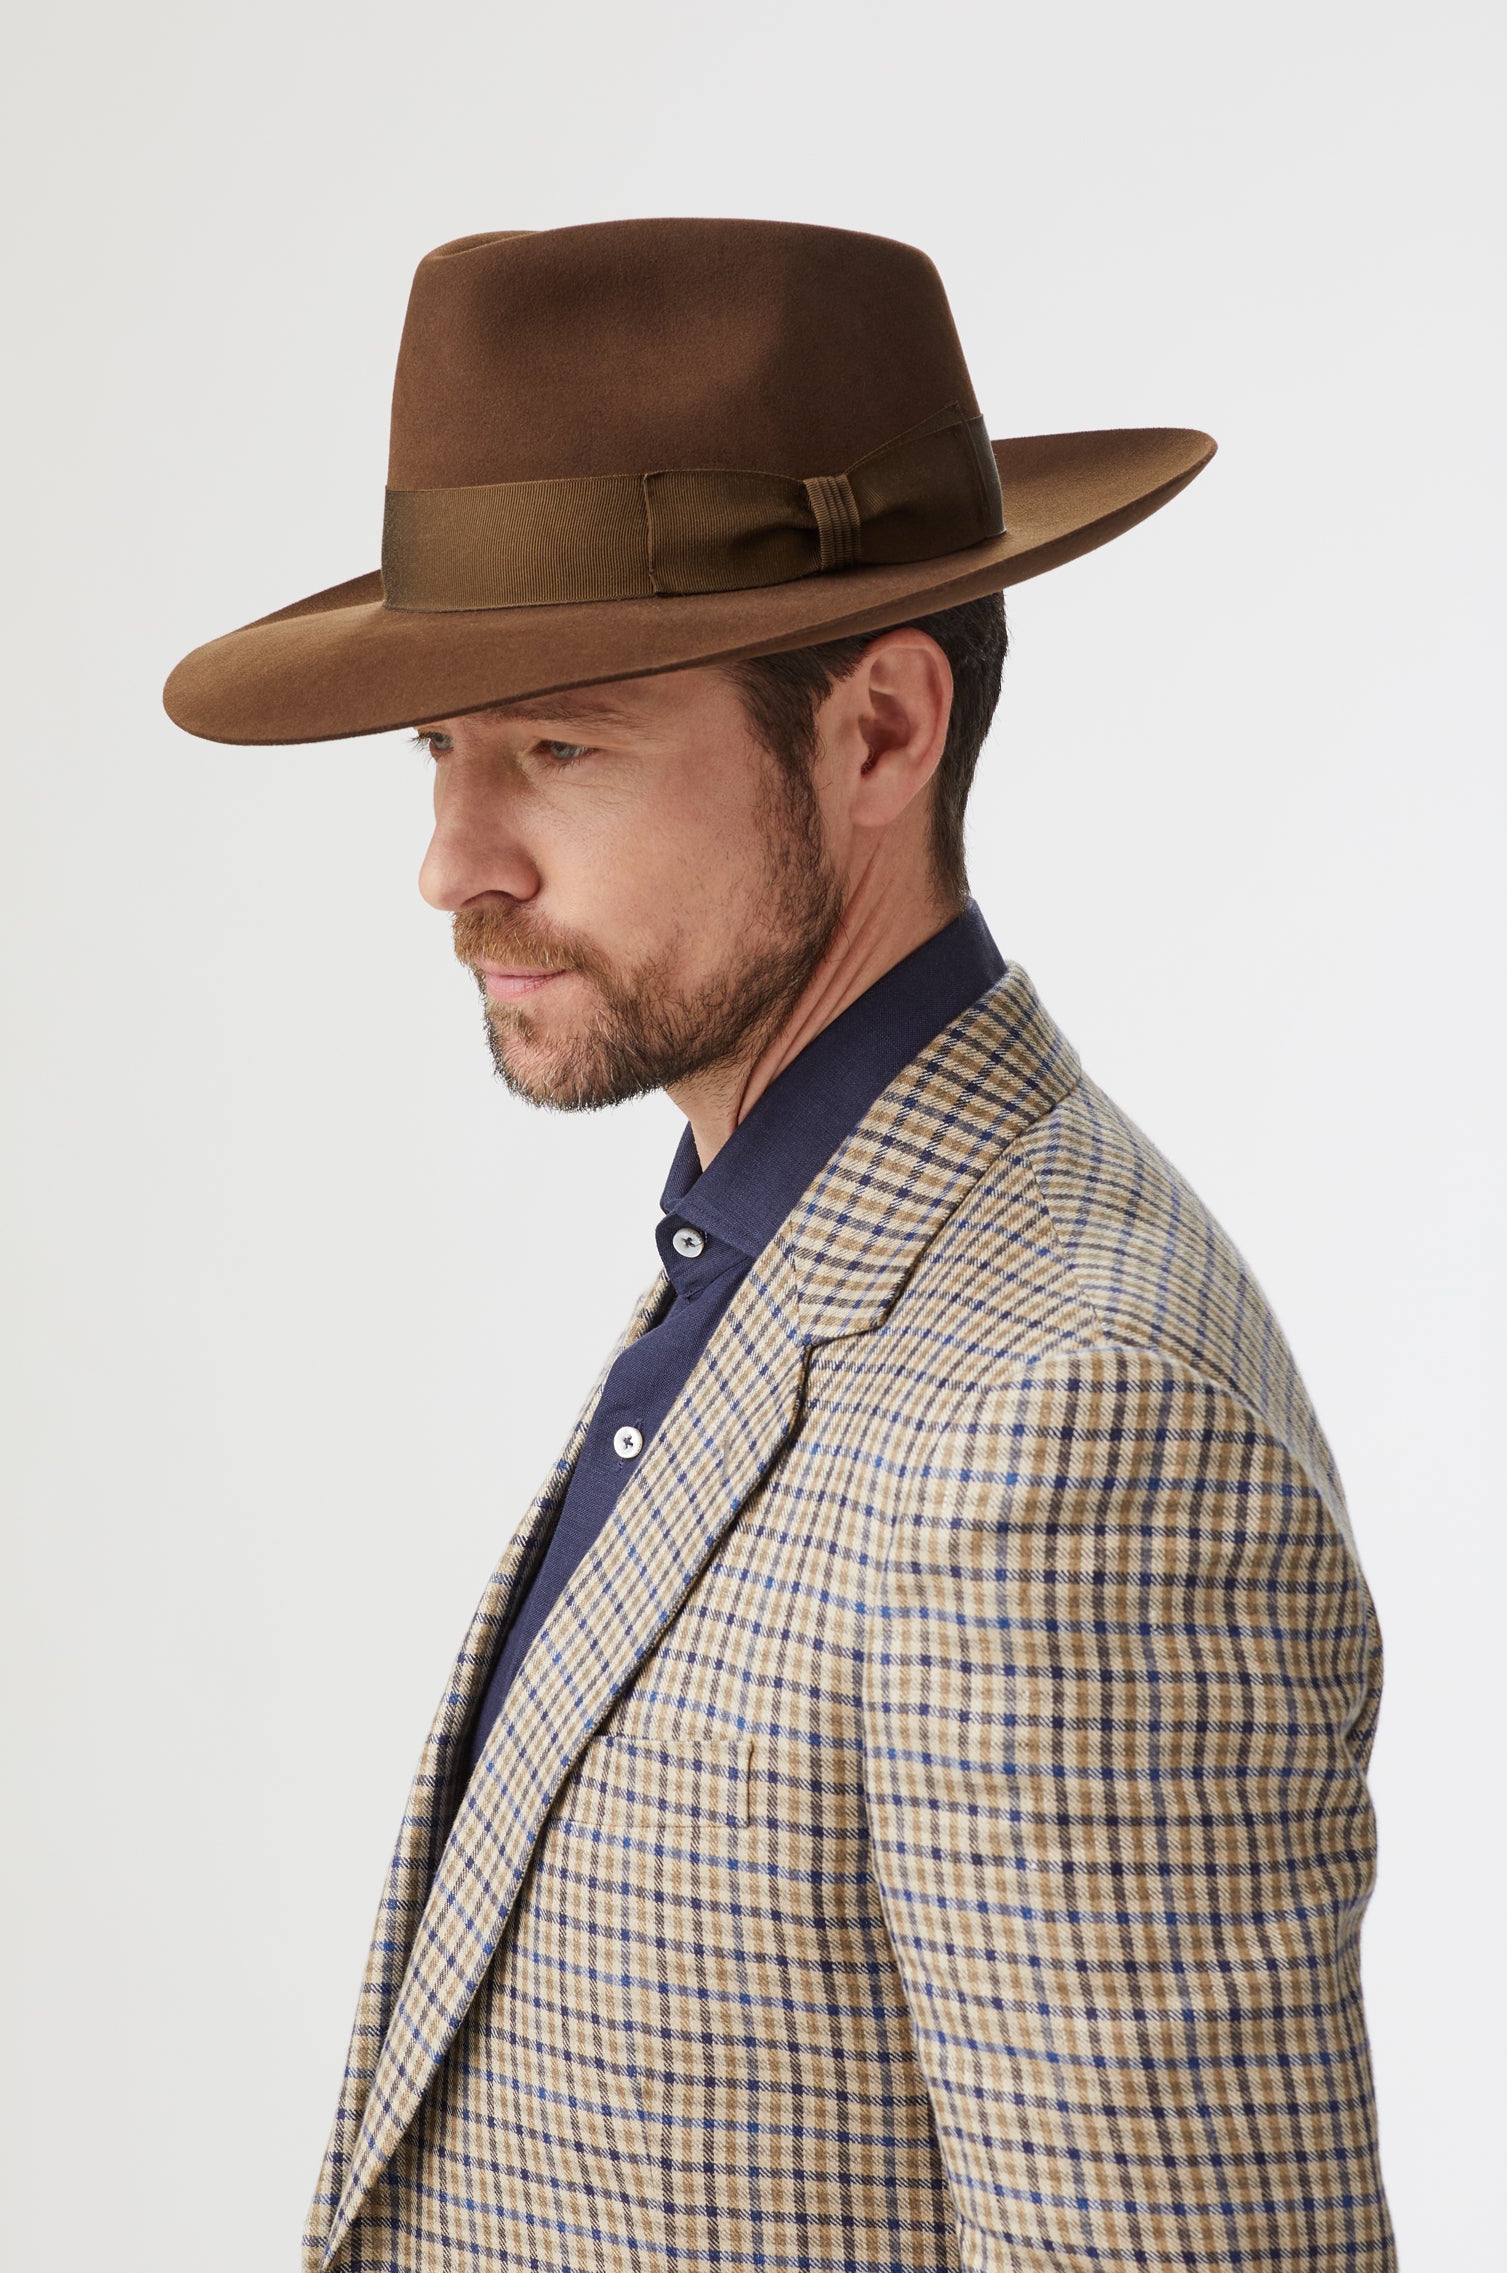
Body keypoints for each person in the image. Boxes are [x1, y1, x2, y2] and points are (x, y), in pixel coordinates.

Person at [165, 217, 1394, 2273]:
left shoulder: (1063, 1430)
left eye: (555, 744)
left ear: (878, 733)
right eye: (437, 754)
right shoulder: (779, 1259)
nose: (450, 866)